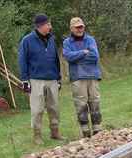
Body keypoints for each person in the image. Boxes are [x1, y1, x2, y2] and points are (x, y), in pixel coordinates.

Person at [19, 14, 63, 145]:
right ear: (41, 25)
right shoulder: (27, 40)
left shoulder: (51, 39)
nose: (50, 26)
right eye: (48, 24)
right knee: (37, 109)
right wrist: (25, 80)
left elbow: (56, 59)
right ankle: (37, 135)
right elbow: (22, 60)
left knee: (54, 107)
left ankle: (55, 132)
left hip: (52, 78)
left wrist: (58, 78)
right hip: (36, 80)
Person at [62, 17, 103, 138]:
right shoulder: (67, 42)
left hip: (93, 75)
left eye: (81, 27)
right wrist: (84, 52)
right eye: (77, 27)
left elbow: (95, 56)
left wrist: (78, 58)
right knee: (81, 104)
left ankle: (97, 131)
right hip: (77, 77)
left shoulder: (90, 39)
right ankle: (85, 132)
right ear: (71, 28)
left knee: (95, 102)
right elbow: (68, 57)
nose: (80, 29)